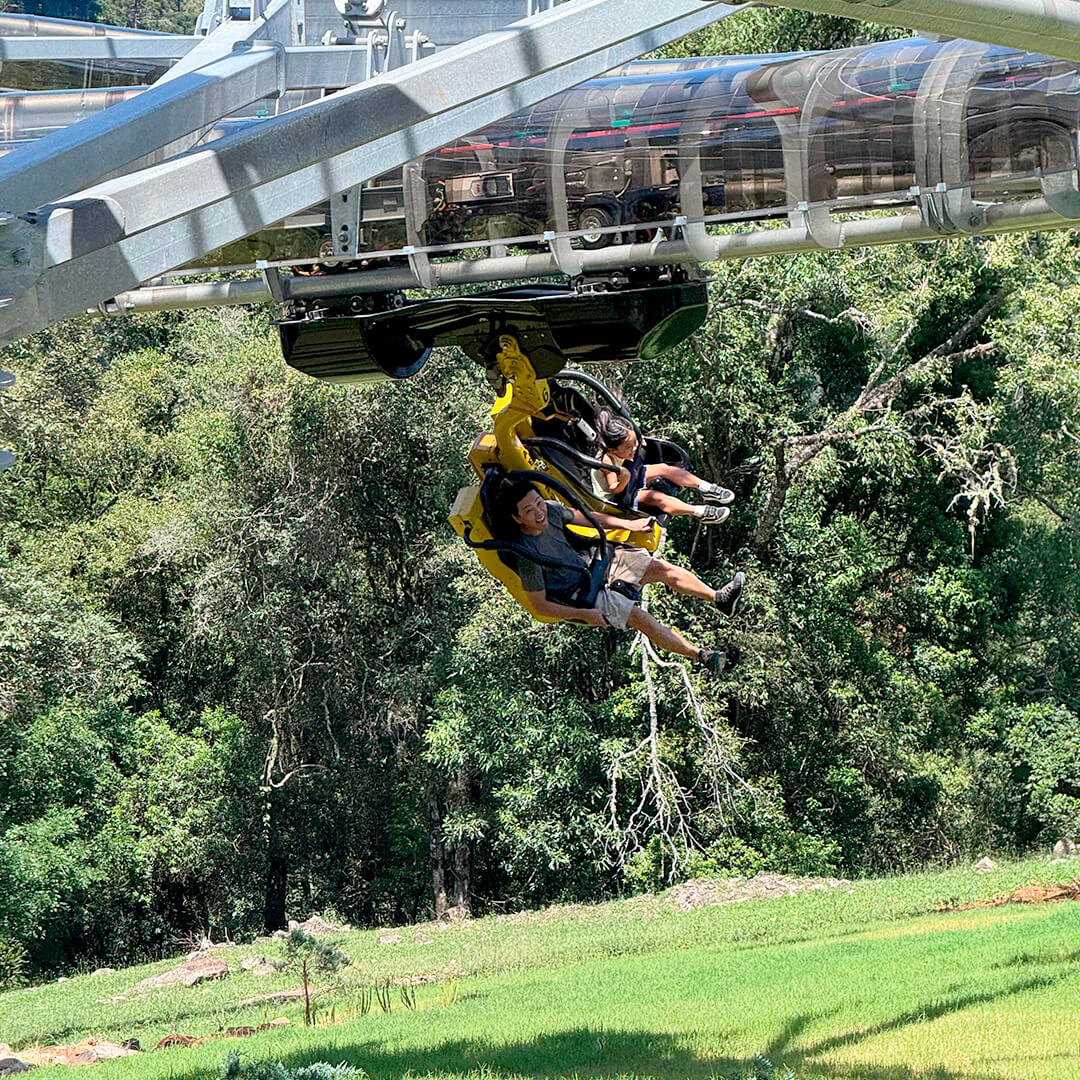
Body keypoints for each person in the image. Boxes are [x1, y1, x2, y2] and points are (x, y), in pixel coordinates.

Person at [499, 475, 745, 674]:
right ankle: (701, 656)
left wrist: (627, 524)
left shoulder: (550, 511)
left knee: (658, 568)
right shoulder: (526, 554)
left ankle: (718, 598)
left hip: (590, 562)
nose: (539, 513)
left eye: (539, 503)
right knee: (640, 617)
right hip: (578, 593)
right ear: (516, 517)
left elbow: (586, 517)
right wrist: (583, 614)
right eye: (529, 510)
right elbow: (540, 605)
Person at [591, 410, 734, 525]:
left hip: (628, 478)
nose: (634, 448)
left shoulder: (623, 451)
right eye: (629, 447)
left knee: (663, 468)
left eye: (635, 442)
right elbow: (613, 488)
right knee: (656, 497)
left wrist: (638, 442)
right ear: (614, 450)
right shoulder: (607, 460)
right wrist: (625, 478)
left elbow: (632, 446)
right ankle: (701, 512)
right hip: (616, 497)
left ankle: (706, 488)